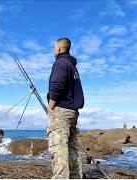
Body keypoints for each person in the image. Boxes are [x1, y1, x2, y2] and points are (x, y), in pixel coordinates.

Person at [47, 37, 85, 179]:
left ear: (58, 48)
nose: (53, 50)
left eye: (53, 47)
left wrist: (51, 108)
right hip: (72, 112)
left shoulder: (61, 63)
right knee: (72, 148)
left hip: (62, 111)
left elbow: (57, 85)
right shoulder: (71, 65)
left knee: (59, 150)